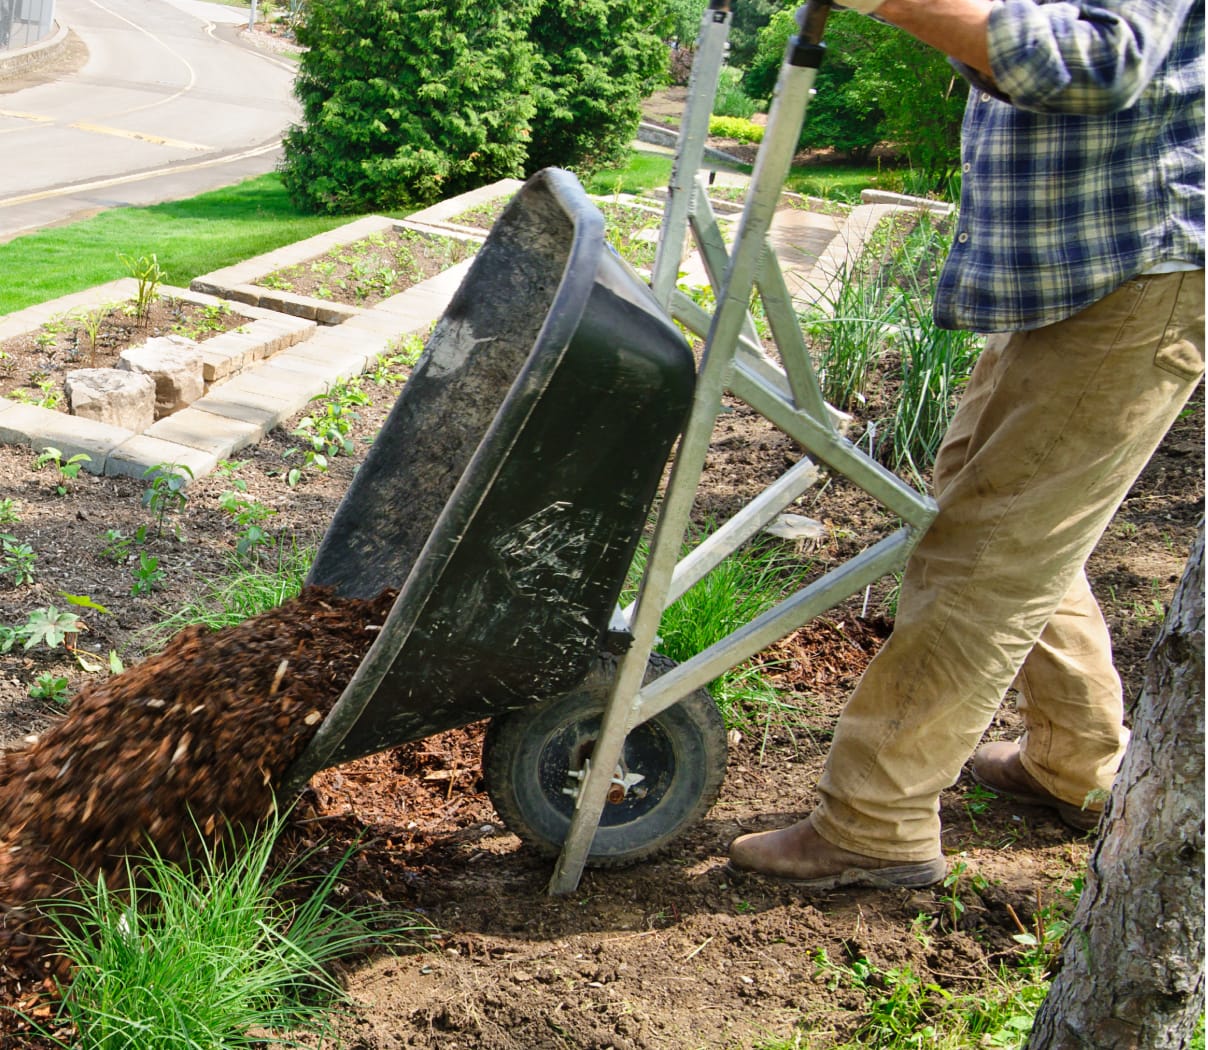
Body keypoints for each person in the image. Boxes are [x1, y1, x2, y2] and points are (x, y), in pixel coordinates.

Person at [729, 0, 1205, 889]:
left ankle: (876, 820)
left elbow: (1099, 60)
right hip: (1079, 267)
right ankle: (1077, 761)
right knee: (993, 515)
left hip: (1138, 263)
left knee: (987, 552)